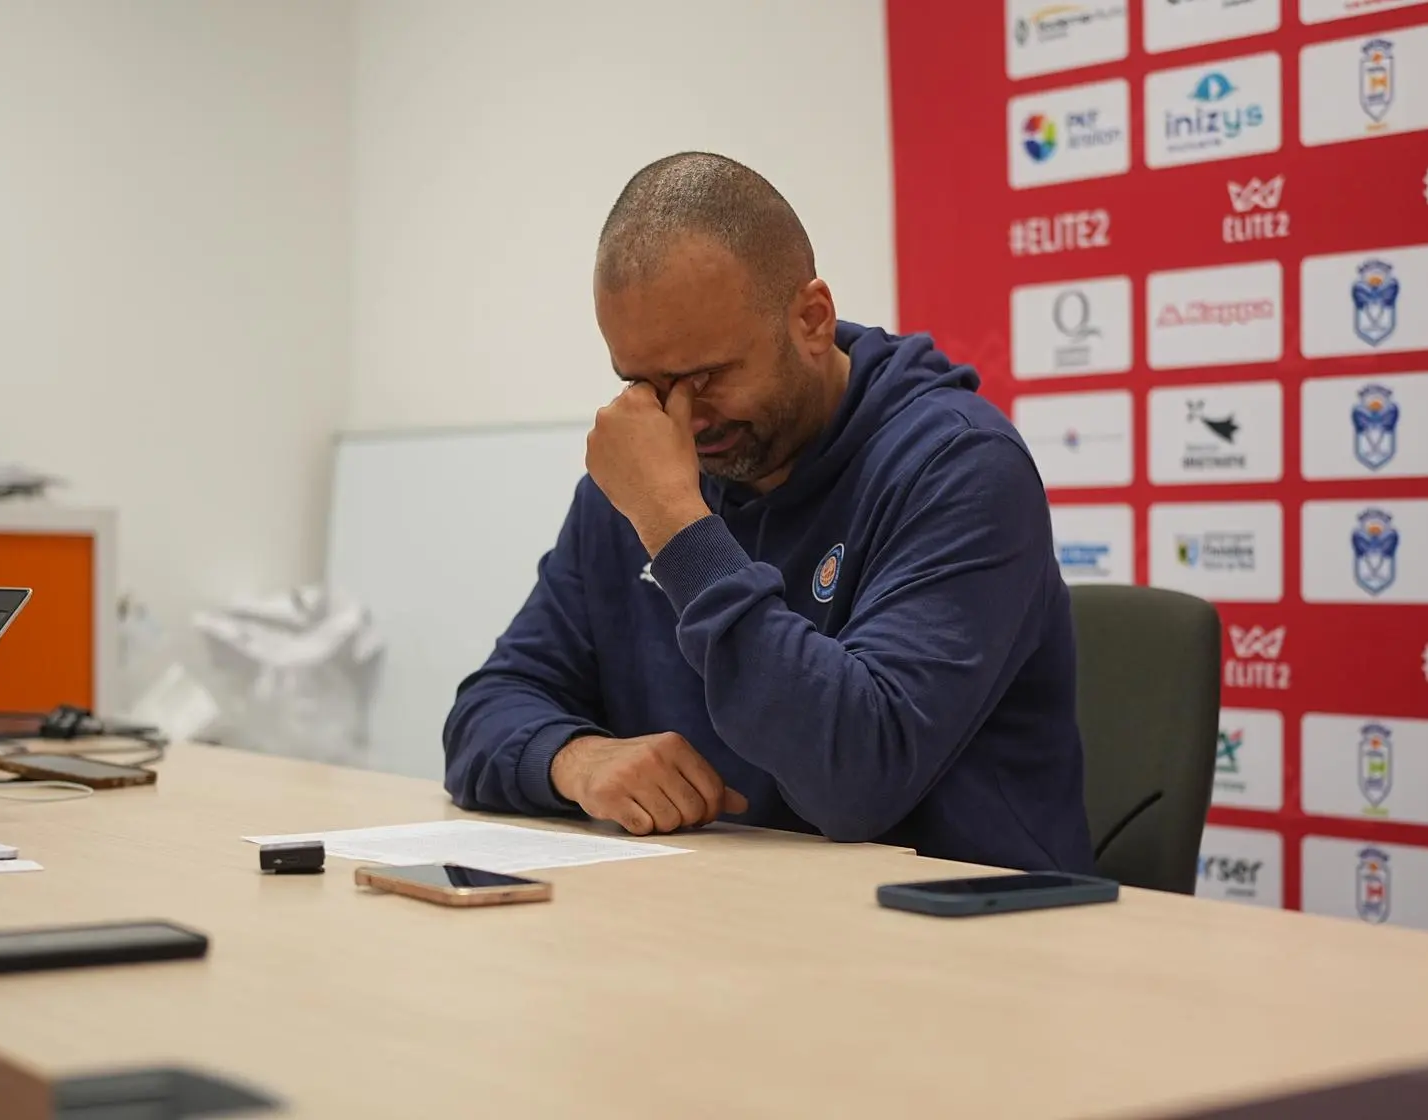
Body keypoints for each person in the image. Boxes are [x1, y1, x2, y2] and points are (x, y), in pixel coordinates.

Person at [442, 152, 1092, 872]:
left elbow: (855, 780)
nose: (680, 417)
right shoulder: (636, 481)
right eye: (644, 383)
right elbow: (486, 710)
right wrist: (574, 758)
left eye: (706, 376)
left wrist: (677, 528)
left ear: (812, 319)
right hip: (722, 923)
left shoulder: (961, 466)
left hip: (961, 941)